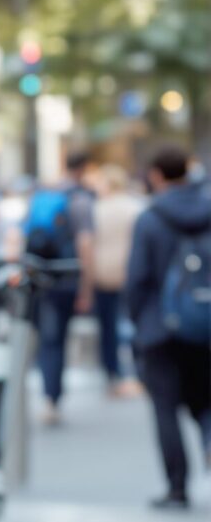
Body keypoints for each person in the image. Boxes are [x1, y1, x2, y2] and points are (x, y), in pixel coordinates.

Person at [123, 145, 211, 510]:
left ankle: (177, 487)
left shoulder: (150, 218)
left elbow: (137, 278)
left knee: (165, 409)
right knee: (207, 403)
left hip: (159, 328)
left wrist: (138, 322)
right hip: (205, 323)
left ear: (157, 174)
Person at [21, 149, 97, 425]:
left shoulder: (41, 195)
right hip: (66, 278)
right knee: (57, 339)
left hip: (40, 276)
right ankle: (52, 397)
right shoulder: (80, 200)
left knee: (47, 339)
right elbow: (85, 246)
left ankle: (50, 395)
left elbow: (21, 234)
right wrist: (86, 288)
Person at [91, 162, 147, 399]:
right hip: (129, 273)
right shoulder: (135, 208)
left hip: (102, 273)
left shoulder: (97, 208)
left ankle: (114, 372)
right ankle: (135, 373)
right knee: (130, 324)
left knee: (108, 327)